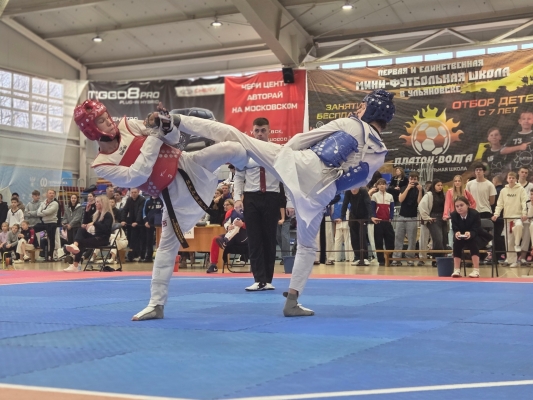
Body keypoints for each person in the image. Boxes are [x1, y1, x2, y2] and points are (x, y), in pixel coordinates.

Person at [175, 89, 393, 316]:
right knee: (307, 247)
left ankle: (178, 121)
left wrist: (280, 156)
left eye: (362, 106)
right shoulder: (380, 152)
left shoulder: (350, 124)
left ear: (370, 109)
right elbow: (358, 180)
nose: (358, 109)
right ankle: (292, 301)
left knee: (238, 137)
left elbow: (300, 140)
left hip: (301, 165)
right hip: (321, 193)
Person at [73, 99, 249, 320]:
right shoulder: (102, 164)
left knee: (232, 148)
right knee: (166, 247)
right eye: (101, 120)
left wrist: (166, 125)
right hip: (172, 196)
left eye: (106, 116)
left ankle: (258, 168)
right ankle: (156, 304)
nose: (108, 121)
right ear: (91, 130)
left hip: (187, 164)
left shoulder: (129, 125)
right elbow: (138, 174)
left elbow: (173, 139)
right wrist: (156, 135)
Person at [233, 117, 292, 291]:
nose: (260, 134)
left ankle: (268, 279)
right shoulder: (245, 152)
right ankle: (258, 279)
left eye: (263, 130)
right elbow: (239, 177)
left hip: (272, 197)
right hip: (251, 198)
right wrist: (237, 198)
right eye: (257, 131)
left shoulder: (277, 151)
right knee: (254, 239)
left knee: (269, 239)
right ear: (252, 132)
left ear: (269, 131)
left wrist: (290, 202)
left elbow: (287, 178)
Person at [64, 195, 114, 272]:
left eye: (97, 202)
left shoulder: (108, 215)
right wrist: (87, 212)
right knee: (81, 230)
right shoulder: (97, 214)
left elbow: (105, 229)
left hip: (103, 239)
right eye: (96, 202)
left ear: (103, 203)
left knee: (81, 242)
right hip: (95, 237)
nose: (95, 204)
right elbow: (85, 223)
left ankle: (76, 264)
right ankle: (75, 246)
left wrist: (94, 223)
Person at [491, 171, 528, 267]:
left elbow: (524, 202)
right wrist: (496, 214)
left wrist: (524, 213)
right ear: (507, 179)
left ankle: (517, 244)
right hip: (507, 218)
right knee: (509, 241)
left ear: (516, 179)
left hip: (518, 217)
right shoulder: (503, 191)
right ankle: (512, 261)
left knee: (519, 226)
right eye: (509, 178)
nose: (511, 180)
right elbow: (500, 204)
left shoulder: (521, 189)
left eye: (513, 178)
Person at [391, 171, 423, 266]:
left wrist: (420, 191)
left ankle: (410, 258)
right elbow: (400, 199)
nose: (413, 181)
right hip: (401, 216)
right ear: (409, 179)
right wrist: (408, 188)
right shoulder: (404, 187)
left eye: (415, 179)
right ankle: (396, 258)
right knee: (398, 237)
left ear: (417, 180)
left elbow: (419, 203)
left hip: (412, 217)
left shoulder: (419, 189)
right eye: (411, 179)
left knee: (412, 239)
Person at [450, 196, 483, 278]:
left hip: (476, 235)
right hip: (461, 237)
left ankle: (476, 270)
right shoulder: (453, 215)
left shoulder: (475, 214)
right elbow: (455, 228)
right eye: (457, 206)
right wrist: (457, 233)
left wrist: (470, 233)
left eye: (461, 205)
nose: (459, 208)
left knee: (473, 242)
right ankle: (456, 270)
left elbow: (477, 228)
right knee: (456, 242)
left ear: (467, 205)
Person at [419, 179, 447, 264]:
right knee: (438, 239)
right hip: (433, 218)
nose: (440, 187)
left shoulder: (443, 195)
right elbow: (421, 206)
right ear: (433, 186)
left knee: (444, 240)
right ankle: (436, 260)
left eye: (441, 185)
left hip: (443, 218)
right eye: (438, 185)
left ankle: (441, 259)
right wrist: (427, 217)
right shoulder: (429, 195)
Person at [371, 178, 395, 266]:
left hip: (387, 221)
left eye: (383, 184)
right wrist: (374, 217)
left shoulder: (390, 196)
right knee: (378, 241)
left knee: (390, 240)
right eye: (380, 184)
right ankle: (381, 260)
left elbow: (392, 208)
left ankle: (389, 259)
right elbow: (372, 208)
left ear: (386, 185)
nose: (382, 186)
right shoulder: (374, 196)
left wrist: (391, 217)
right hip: (378, 222)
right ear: (377, 186)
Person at [33, 190, 59, 262]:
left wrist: (42, 212)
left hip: (52, 222)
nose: (51, 194)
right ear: (47, 194)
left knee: (51, 239)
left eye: (53, 193)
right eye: (50, 193)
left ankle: (51, 256)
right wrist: (43, 213)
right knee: (33, 229)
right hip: (44, 222)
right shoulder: (43, 202)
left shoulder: (55, 203)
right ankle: (36, 245)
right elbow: (38, 213)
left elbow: (49, 212)